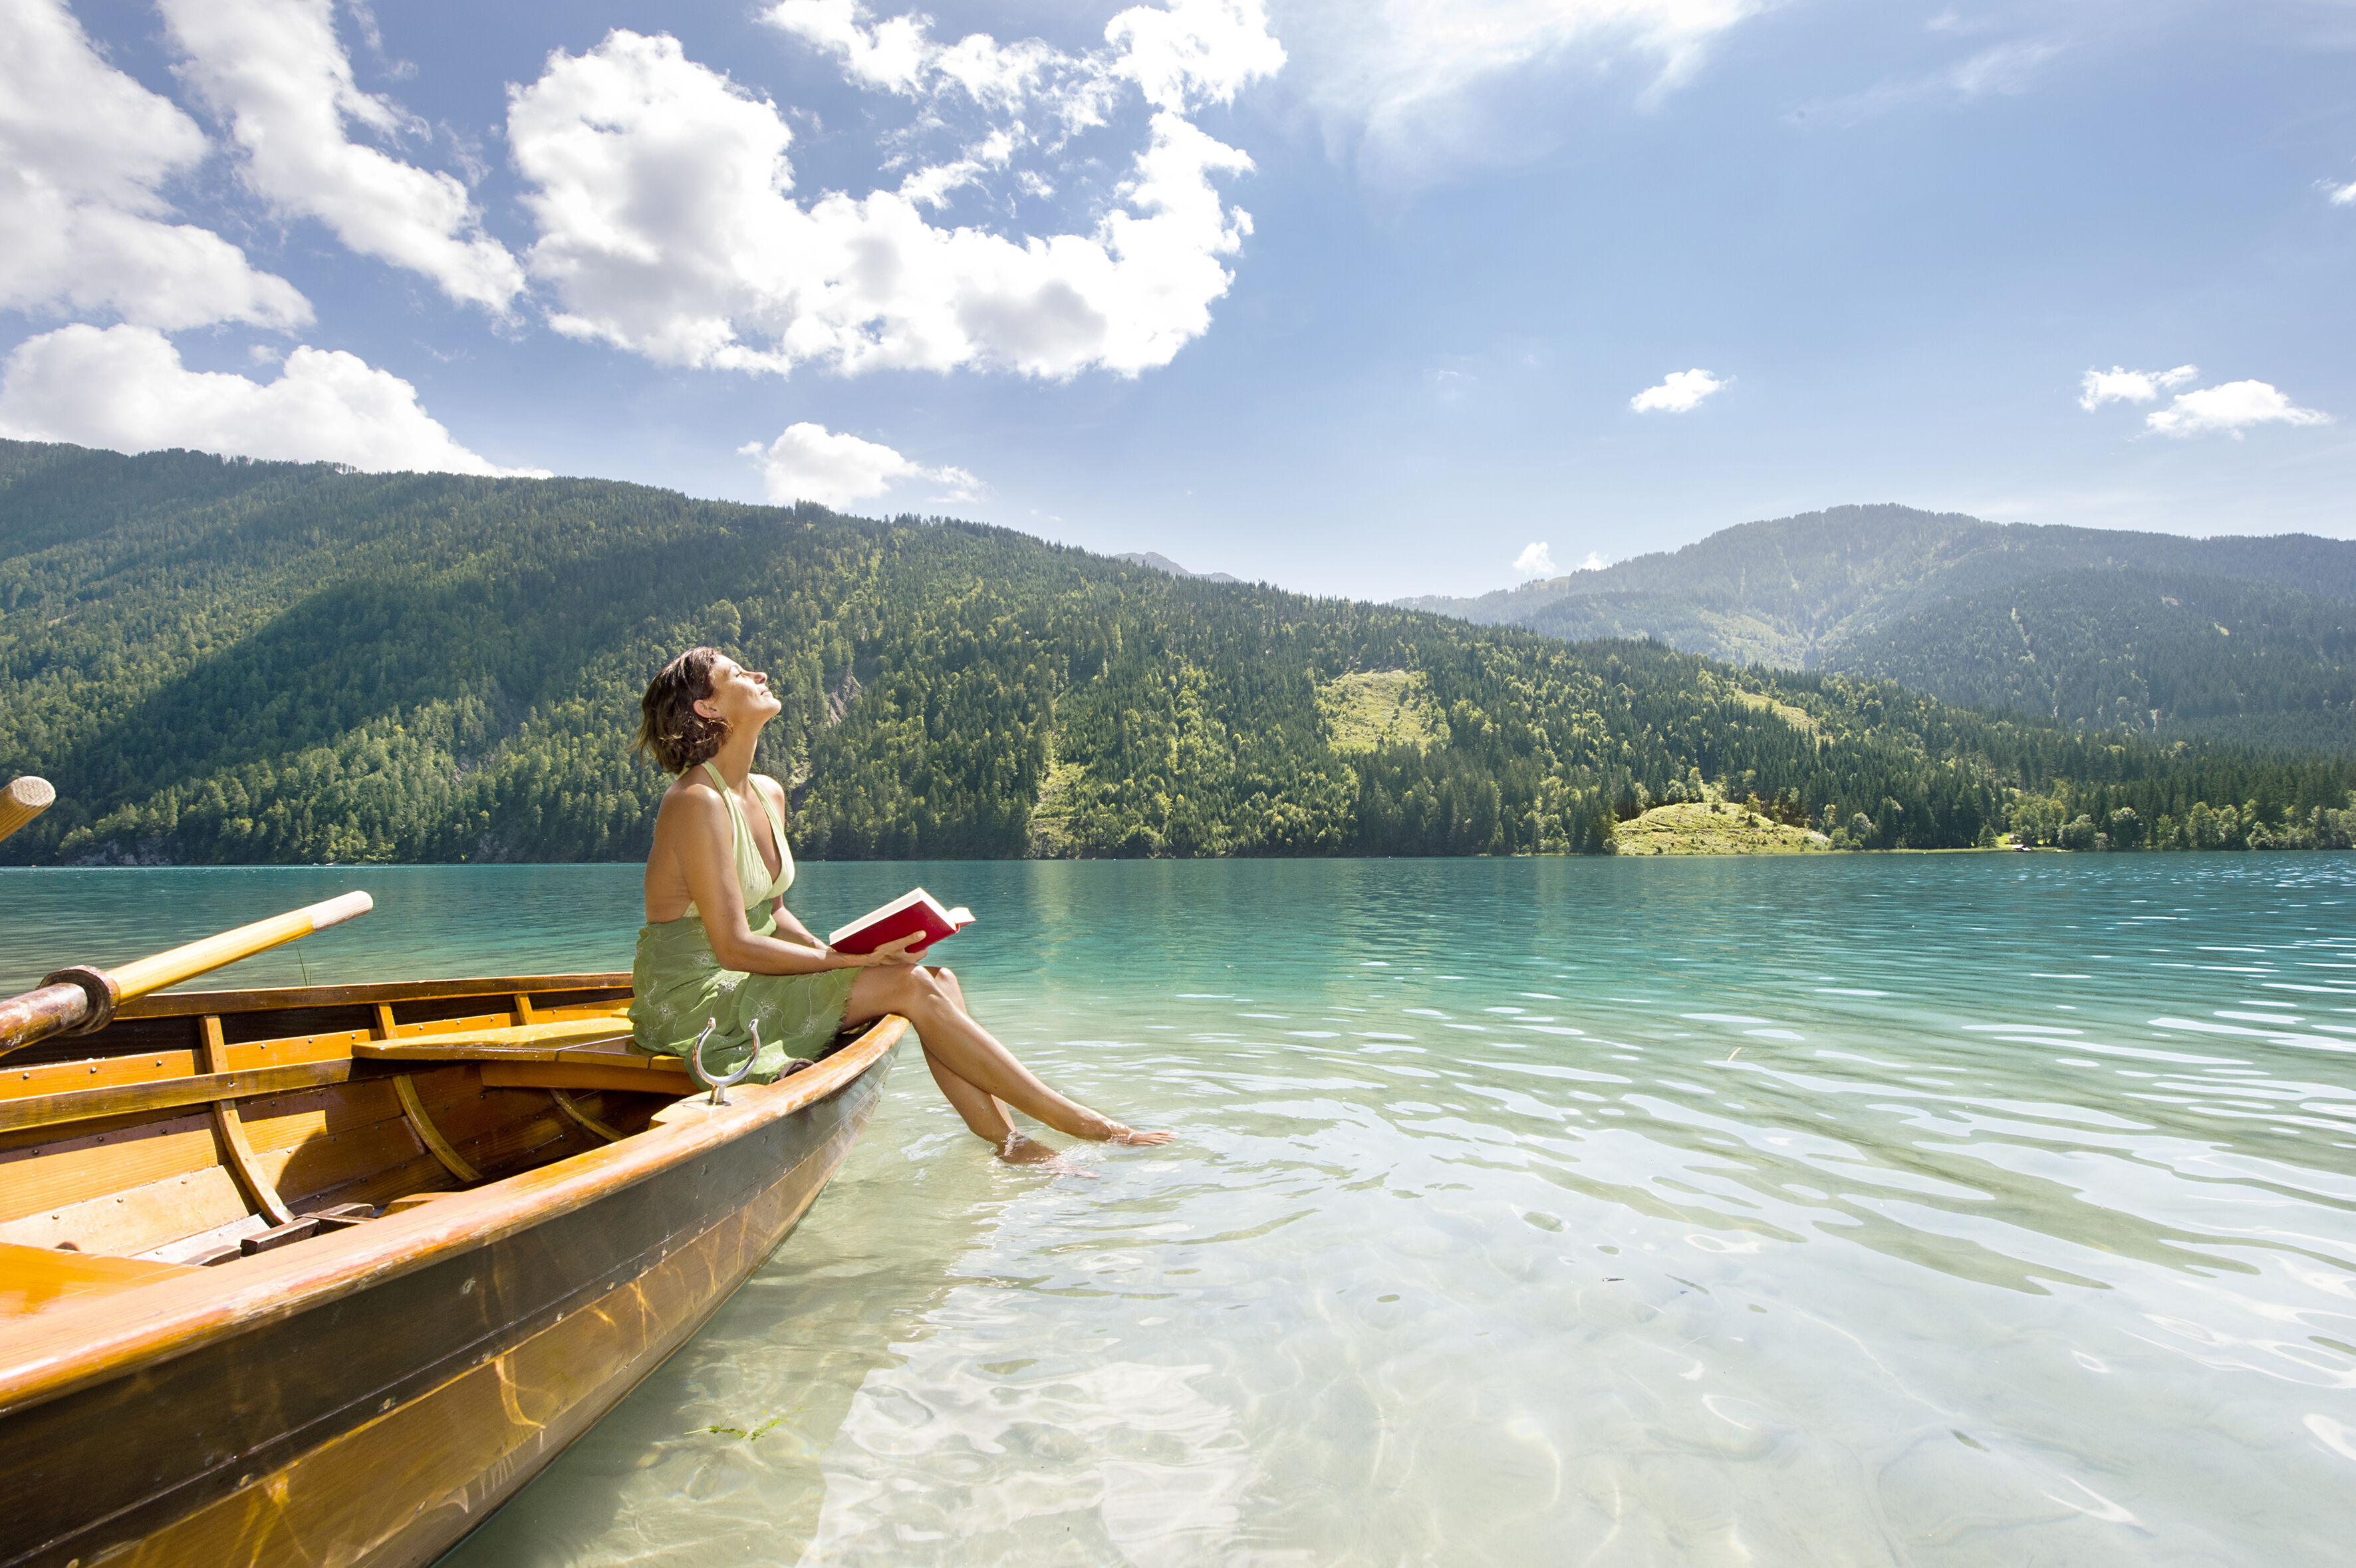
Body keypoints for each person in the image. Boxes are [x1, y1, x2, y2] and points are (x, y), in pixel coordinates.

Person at [628, 646, 1172, 1161]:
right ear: (708, 708)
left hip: (747, 973)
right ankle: (1084, 1124)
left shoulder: (768, 792)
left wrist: (845, 952)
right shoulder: (694, 802)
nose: (759, 676)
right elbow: (733, 945)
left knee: (939, 979)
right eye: (739, 674)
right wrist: (845, 964)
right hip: (693, 997)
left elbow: (771, 914)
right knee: (909, 984)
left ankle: (1009, 1144)